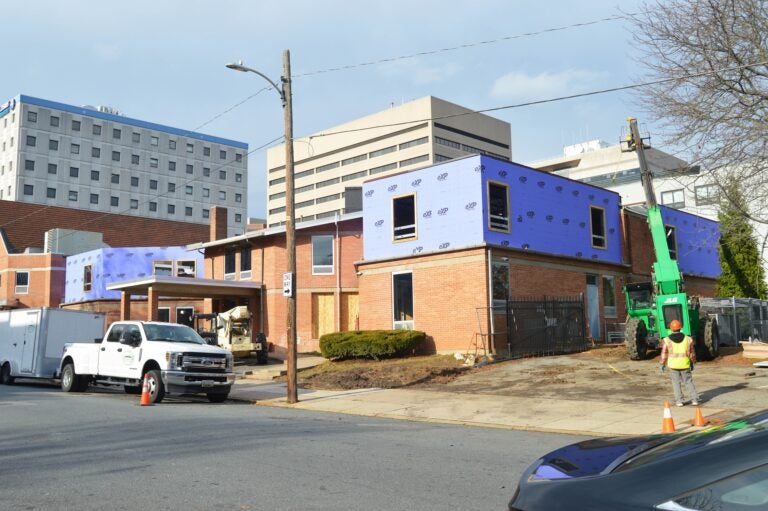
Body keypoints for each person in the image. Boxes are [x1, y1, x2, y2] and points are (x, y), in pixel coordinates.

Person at [660, 319, 700, 406]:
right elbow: (692, 352)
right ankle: (694, 400)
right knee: (688, 381)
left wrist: (662, 364)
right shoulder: (688, 339)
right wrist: (693, 362)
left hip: (673, 365)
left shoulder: (667, 340)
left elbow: (664, 353)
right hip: (685, 364)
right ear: (680, 328)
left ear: (671, 329)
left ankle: (679, 401)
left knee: (676, 383)